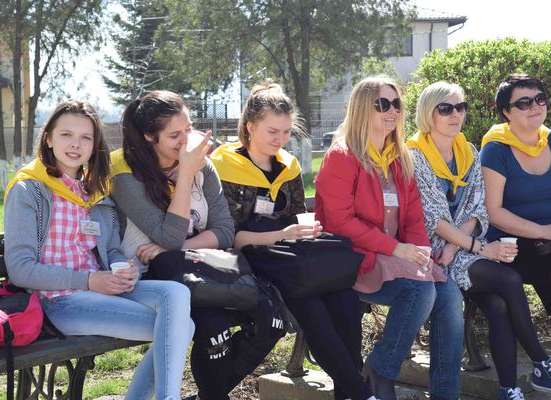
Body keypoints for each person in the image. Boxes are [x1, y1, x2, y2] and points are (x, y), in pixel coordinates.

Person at [408, 81, 551, 400]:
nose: (455, 114)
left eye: (460, 107)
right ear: (428, 113)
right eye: (445, 109)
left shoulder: (468, 152)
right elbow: (433, 219)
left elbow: (478, 208)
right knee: (508, 279)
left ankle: (509, 390)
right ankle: (542, 363)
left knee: (499, 304)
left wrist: (458, 244)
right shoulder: (415, 157)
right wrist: (475, 246)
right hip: (431, 253)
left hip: (461, 249)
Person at [3, 100, 193, 400]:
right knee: (178, 326)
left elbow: (111, 249)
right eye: (66, 135)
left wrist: (123, 268)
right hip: (57, 301)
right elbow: (20, 269)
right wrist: (90, 281)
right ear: (48, 139)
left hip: (102, 289)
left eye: (85, 138)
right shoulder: (29, 189)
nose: (75, 145)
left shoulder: (95, 190)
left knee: (177, 295)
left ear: (95, 145)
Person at [110, 90, 285, 400]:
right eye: (174, 135)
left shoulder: (202, 165)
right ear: (149, 136)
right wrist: (186, 174)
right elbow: (169, 235)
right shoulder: (126, 173)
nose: (186, 140)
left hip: (197, 266)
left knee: (272, 321)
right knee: (215, 331)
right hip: (151, 278)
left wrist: (177, 248)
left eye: (188, 129)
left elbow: (225, 231)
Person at [210, 80, 376, 400]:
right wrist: (280, 235)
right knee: (310, 306)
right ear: (250, 126)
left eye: (286, 132)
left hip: (288, 259)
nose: (281, 139)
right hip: (250, 261)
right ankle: (361, 393)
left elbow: (298, 216)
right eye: (273, 131)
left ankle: (350, 393)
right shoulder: (223, 165)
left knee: (345, 300)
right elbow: (228, 237)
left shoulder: (288, 166)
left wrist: (306, 230)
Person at [315, 75, 463, 400]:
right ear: (362, 109)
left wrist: (420, 251)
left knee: (449, 295)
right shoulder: (342, 156)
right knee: (419, 292)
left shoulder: (399, 158)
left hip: (394, 258)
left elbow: (413, 217)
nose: (393, 110)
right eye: (383, 104)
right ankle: (381, 370)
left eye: (396, 104)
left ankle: (446, 394)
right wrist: (397, 248)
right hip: (355, 261)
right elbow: (340, 222)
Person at [480, 73, 551, 392]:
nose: (535, 106)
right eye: (524, 102)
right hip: (512, 246)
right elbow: (494, 212)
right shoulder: (496, 150)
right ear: (507, 112)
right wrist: (544, 229)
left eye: (539, 99)